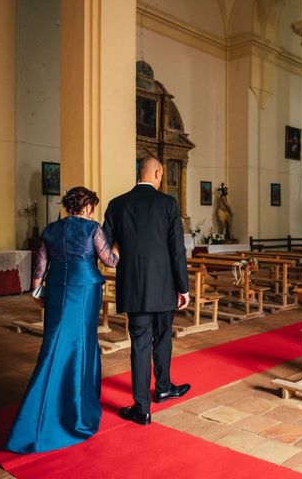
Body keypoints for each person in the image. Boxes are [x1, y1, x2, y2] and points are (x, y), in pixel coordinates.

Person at [5, 187, 119, 453]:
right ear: (88, 206)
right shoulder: (93, 229)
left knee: (54, 342)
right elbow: (110, 261)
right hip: (84, 289)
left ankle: (47, 405)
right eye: (92, 206)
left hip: (57, 287)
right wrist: (117, 246)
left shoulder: (51, 229)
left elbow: (40, 265)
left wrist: (36, 290)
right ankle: (75, 412)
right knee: (80, 344)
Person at [103, 155, 190, 426]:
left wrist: (120, 245)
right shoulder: (167, 204)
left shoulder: (117, 205)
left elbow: (104, 247)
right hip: (164, 288)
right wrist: (183, 288)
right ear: (158, 173)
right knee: (163, 338)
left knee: (140, 345)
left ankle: (142, 408)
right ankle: (163, 388)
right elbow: (177, 249)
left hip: (134, 288)